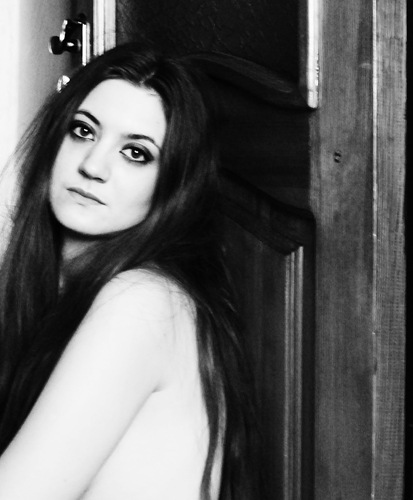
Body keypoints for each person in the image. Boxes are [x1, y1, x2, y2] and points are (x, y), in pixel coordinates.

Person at [0, 43, 258, 499]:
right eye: (83, 131)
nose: (92, 166)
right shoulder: (66, 289)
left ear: (172, 186)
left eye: (135, 153)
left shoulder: (143, 302)